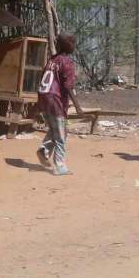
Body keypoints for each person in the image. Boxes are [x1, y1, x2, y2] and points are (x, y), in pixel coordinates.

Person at [35, 34, 83, 176]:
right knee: (62, 135)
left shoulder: (52, 60)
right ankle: (59, 166)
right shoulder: (67, 62)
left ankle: (44, 151)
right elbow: (68, 87)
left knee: (55, 129)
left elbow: (43, 79)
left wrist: (38, 106)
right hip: (56, 100)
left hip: (45, 97)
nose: (74, 45)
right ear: (65, 45)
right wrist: (77, 106)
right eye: (72, 42)